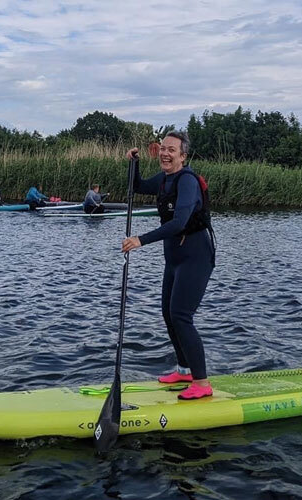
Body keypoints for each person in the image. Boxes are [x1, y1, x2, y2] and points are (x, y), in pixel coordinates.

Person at [122, 131, 215, 400]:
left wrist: (141, 239)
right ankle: (184, 370)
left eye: (171, 150)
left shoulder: (187, 181)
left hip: (195, 256)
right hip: (174, 257)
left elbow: (179, 223)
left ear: (183, 156)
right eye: (162, 148)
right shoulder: (165, 179)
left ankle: (202, 382)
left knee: (181, 316)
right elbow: (136, 186)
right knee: (168, 314)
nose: (165, 153)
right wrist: (133, 163)